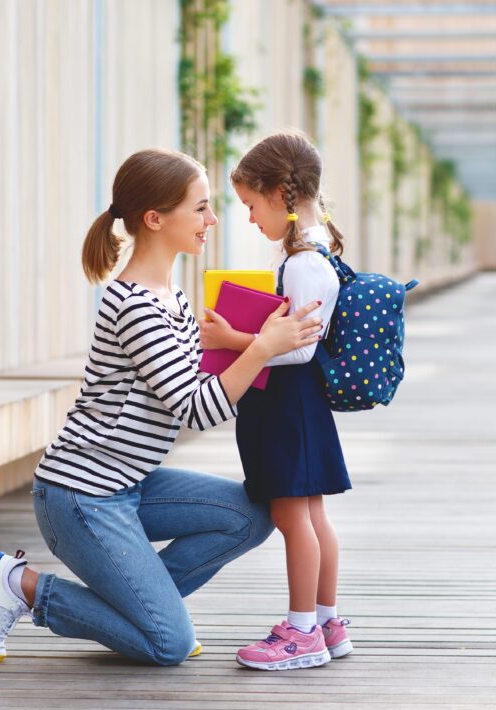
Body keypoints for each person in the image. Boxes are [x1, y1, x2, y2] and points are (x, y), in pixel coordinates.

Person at [0, 148, 324, 666]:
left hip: (130, 483)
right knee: (167, 645)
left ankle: (141, 610)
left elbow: (198, 381)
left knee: (251, 514)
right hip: (81, 496)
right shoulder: (135, 305)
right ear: (155, 219)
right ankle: (19, 586)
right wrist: (263, 347)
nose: (213, 219)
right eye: (200, 208)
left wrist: (248, 340)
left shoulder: (171, 296)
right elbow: (196, 409)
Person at [199, 132, 353, 670]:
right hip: (299, 409)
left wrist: (230, 341)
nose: (248, 218)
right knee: (312, 516)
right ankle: (326, 621)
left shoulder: (303, 263)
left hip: (285, 408)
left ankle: (302, 631)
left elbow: (295, 352)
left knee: (294, 520)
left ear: (281, 193)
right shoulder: (315, 255)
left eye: (250, 205)